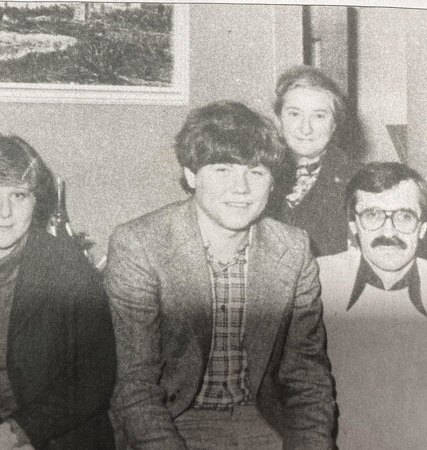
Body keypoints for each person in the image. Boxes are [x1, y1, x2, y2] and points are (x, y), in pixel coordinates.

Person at [106, 101, 336, 449]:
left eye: (256, 172)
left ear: (273, 182)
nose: (241, 188)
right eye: (223, 170)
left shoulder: (294, 249)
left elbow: (307, 375)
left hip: (262, 419)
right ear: (190, 175)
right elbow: (134, 385)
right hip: (175, 420)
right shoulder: (140, 245)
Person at [0, 132, 116, 449]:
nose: (5, 212)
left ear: (35, 202)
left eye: (19, 196)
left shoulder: (68, 270)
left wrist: (19, 434)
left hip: (61, 436)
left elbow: (94, 378)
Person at [318, 161, 427, 449]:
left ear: (422, 228)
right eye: (372, 214)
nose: (389, 231)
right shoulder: (317, 282)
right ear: (353, 226)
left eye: (405, 217)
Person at [270, 65, 362, 256]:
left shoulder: (358, 181)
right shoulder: (257, 174)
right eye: (294, 114)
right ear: (279, 118)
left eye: (319, 116)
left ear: (335, 123)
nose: (306, 128)